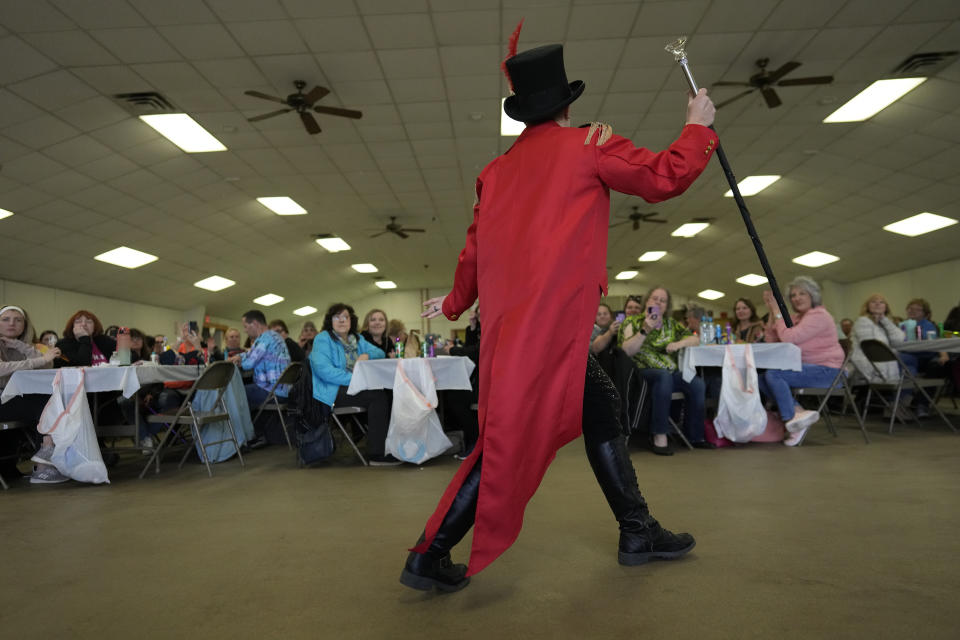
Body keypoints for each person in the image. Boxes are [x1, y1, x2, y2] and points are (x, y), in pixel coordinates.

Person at [401, 37, 716, 592]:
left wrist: (451, 304)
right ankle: (429, 554)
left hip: (510, 335)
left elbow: (471, 254)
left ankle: (636, 529)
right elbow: (666, 175)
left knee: (599, 408)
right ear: (566, 104)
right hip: (552, 330)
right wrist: (698, 125)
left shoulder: (494, 173)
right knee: (504, 443)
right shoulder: (589, 146)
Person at [618, 286, 709, 454]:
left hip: (669, 373)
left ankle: (695, 436)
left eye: (663, 300)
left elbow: (695, 339)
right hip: (643, 374)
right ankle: (659, 434)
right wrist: (646, 329)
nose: (658, 302)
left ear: (667, 306)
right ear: (647, 301)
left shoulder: (671, 324)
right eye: (655, 298)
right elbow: (627, 350)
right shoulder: (632, 322)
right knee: (663, 376)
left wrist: (678, 343)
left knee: (697, 384)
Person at [760, 276, 844, 445]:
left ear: (812, 295)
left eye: (802, 293)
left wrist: (777, 311)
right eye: (793, 295)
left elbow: (789, 338)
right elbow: (772, 341)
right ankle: (798, 412)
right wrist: (772, 310)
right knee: (760, 378)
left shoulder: (819, 315)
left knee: (774, 375)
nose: (796, 298)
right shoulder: (798, 318)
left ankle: (793, 420)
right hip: (807, 369)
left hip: (828, 371)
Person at [308, 303, 395, 465]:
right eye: (337, 317)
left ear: (351, 320)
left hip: (351, 387)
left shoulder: (357, 339)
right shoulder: (323, 338)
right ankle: (377, 453)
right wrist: (355, 380)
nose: (342, 321)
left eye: (345, 317)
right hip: (329, 391)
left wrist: (366, 355)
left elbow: (380, 352)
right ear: (330, 321)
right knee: (377, 396)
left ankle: (384, 445)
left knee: (383, 392)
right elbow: (323, 370)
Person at [0, 306, 61, 483]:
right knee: (44, 401)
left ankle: (45, 458)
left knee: (47, 399)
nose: (12, 323)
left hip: (10, 399)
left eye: (18, 320)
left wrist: (20, 345)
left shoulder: (22, 346)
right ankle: (44, 461)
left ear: (25, 326)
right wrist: (40, 359)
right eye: (6, 319)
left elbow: (47, 366)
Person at [229, 310, 291, 426]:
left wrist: (238, 361)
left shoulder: (264, 339)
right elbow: (252, 353)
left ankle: (239, 436)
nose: (245, 330)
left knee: (232, 393)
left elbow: (249, 364)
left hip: (271, 391)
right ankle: (256, 430)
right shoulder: (275, 336)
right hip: (284, 390)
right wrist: (240, 356)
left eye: (246, 327)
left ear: (255, 324)